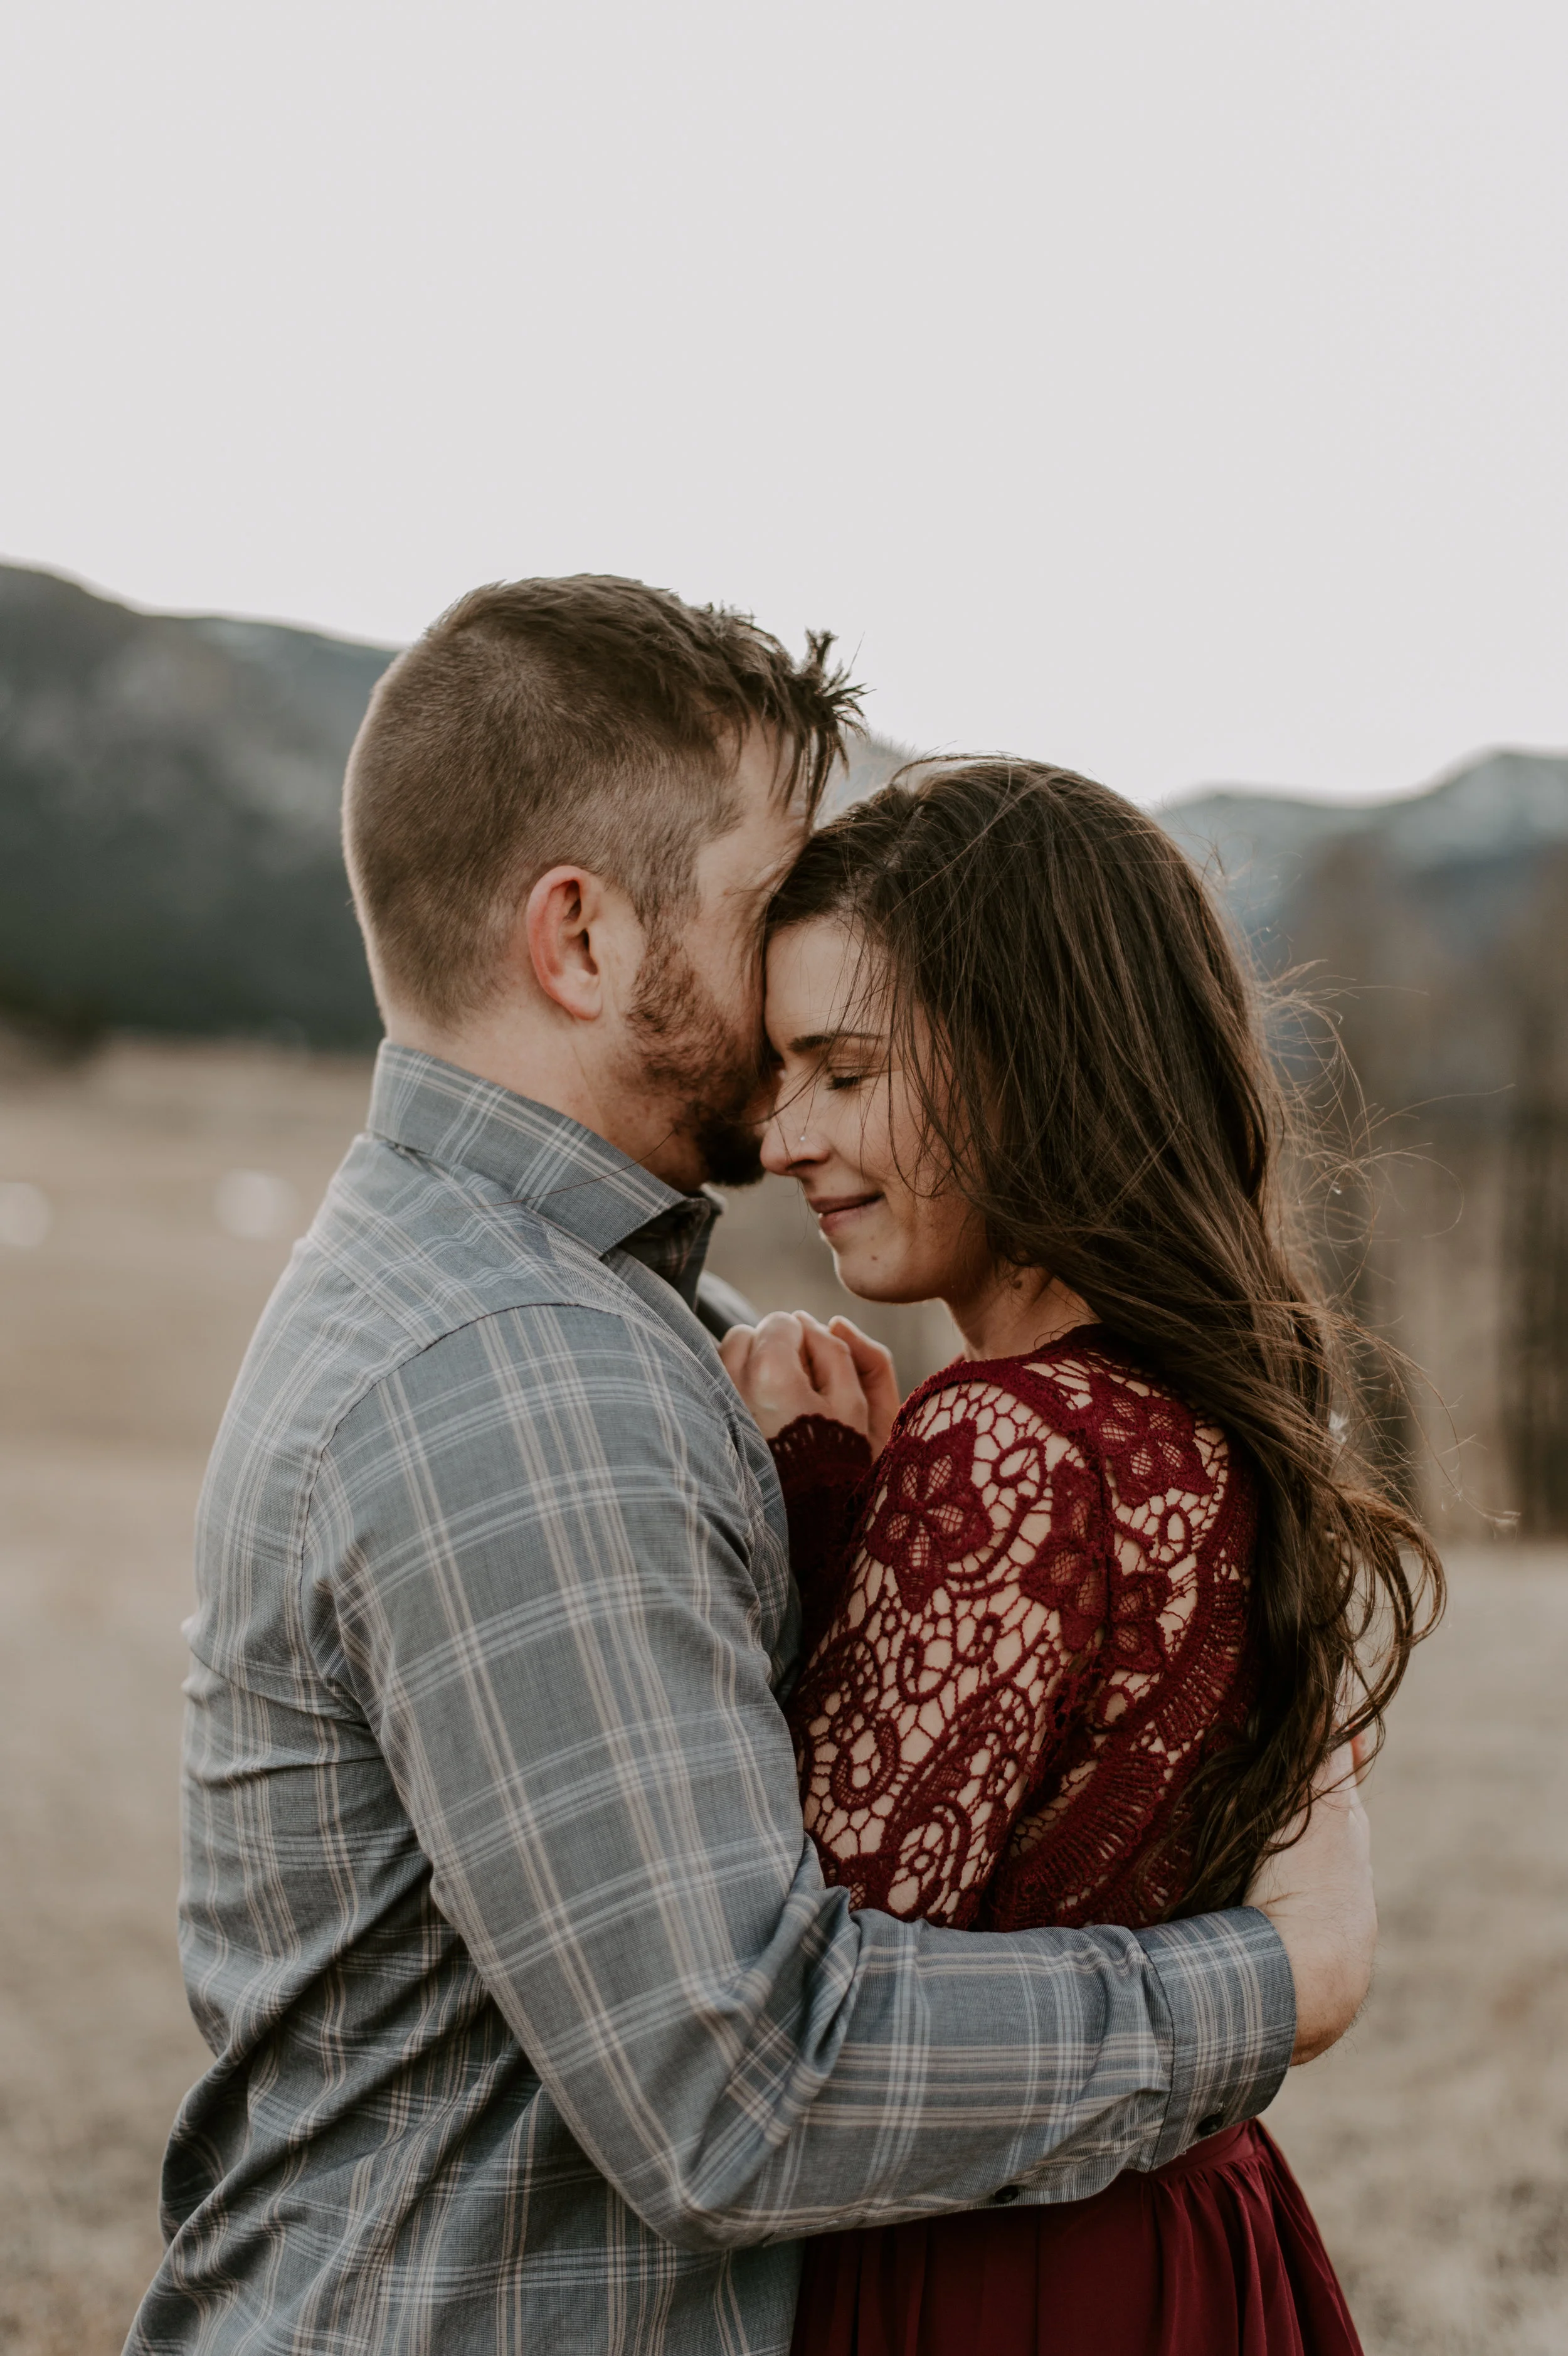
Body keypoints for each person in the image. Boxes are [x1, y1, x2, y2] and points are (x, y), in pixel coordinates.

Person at [127, 580, 1376, 2356]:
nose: (812, 925)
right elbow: (743, 2083)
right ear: (580, 938)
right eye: (762, 890)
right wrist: (1271, 1979)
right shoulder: (512, 1373)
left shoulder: (608, 1300)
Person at [719, 760, 1443, 2355]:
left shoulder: (1007, 1442)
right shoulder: (1206, 1406)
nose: (781, 1138)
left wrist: (810, 1514)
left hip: (996, 2275)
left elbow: (801, 2013)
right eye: (779, 1075)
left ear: (1027, 1056)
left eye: (841, 1071)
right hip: (1191, 2226)